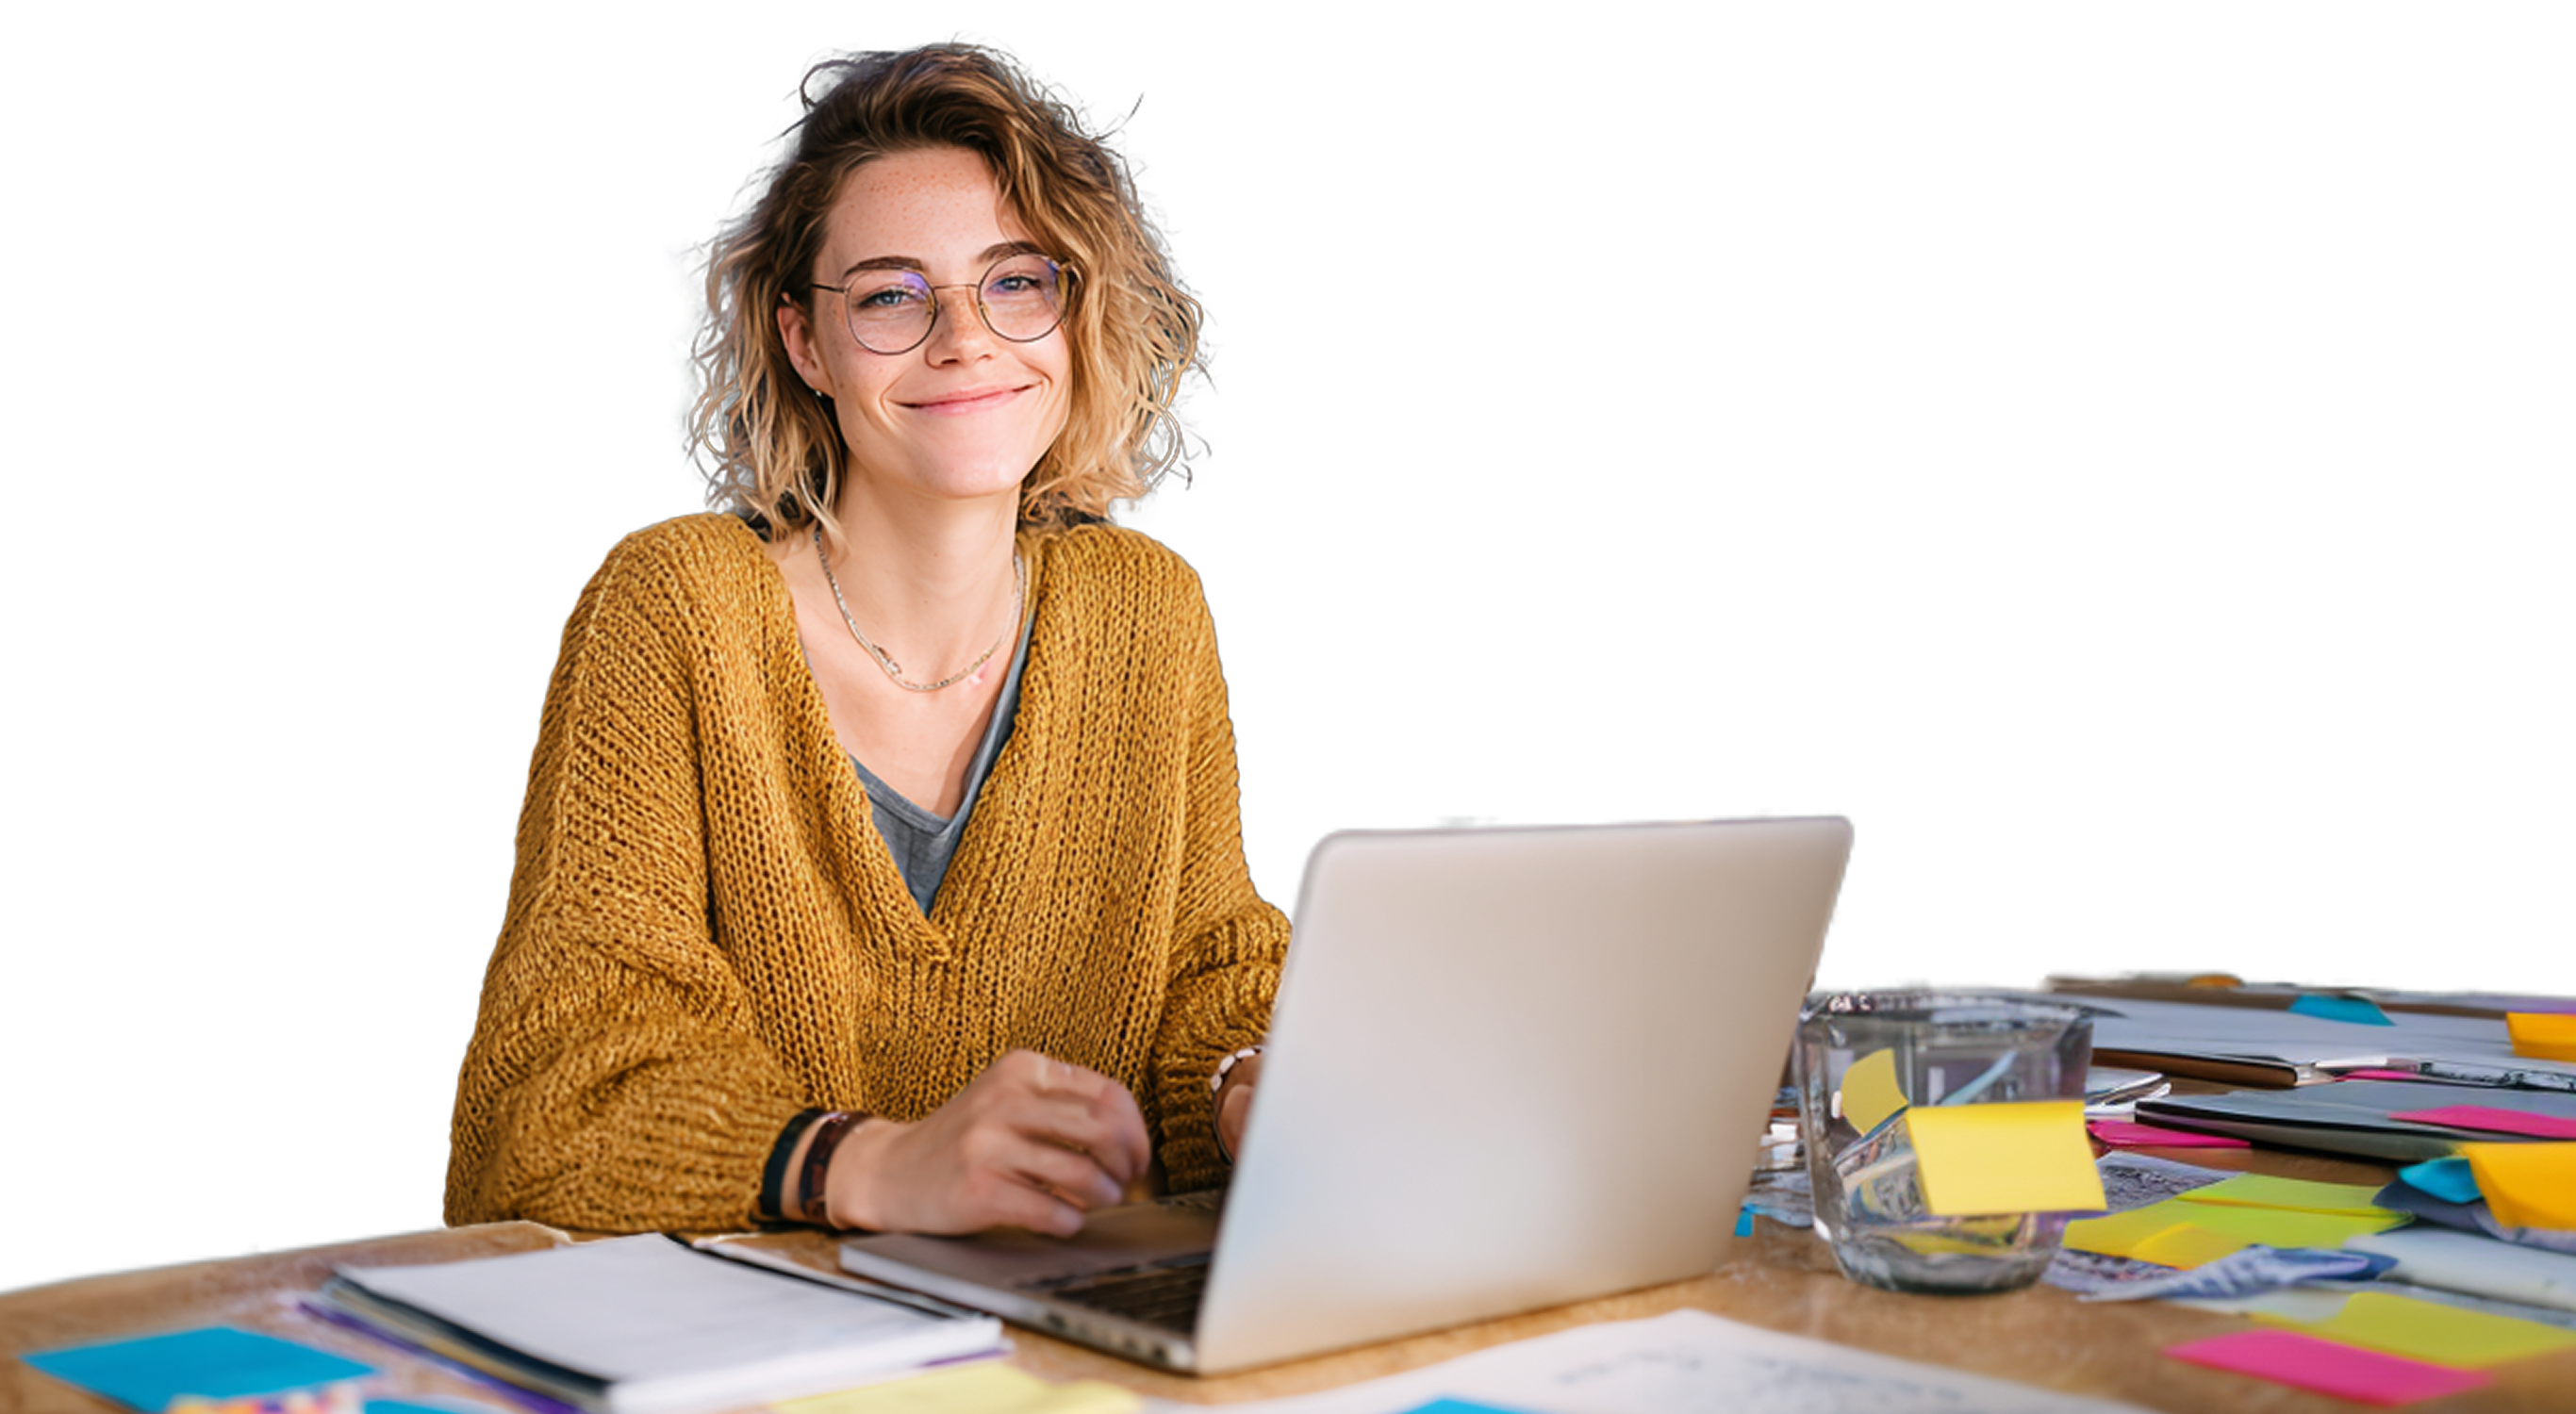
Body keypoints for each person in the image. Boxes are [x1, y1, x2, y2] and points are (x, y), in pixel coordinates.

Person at [444, 42, 1282, 1241]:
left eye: (1015, 282)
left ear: (1070, 310)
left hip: (1044, 1335)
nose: (966, 339)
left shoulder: (1146, 613)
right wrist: (871, 1166)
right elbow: (556, 1089)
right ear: (802, 343)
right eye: (892, 295)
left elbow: (1207, 974)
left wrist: (1243, 1085)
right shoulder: (671, 607)